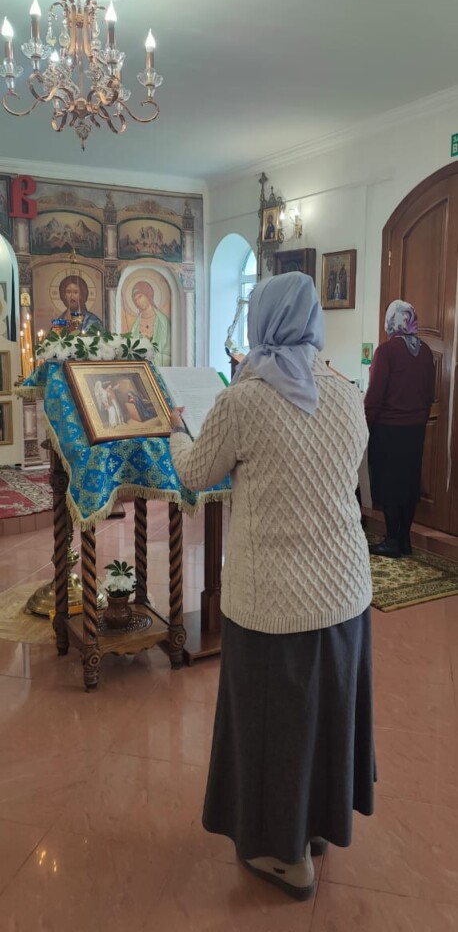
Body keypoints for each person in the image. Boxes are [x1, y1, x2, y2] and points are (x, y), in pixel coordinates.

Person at [169, 271, 375, 902]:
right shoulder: (346, 392)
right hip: (345, 593)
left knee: (273, 726)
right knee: (324, 715)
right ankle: (314, 827)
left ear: (262, 321)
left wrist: (174, 428)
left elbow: (195, 472)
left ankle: (284, 856)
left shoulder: (244, 400)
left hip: (274, 602)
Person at [364, 299, 435, 558]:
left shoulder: (386, 351)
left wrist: (364, 425)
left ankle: (392, 541)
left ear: (390, 321)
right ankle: (405, 540)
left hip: (388, 430)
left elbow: (374, 396)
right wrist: (419, 419)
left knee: (389, 485)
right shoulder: (426, 352)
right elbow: (429, 394)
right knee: (408, 484)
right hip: (415, 430)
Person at [129, 280, 172, 367]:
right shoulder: (135, 326)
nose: (138, 301)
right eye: (135, 300)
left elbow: (168, 352)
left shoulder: (163, 322)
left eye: (140, 297)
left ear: (148, 295)